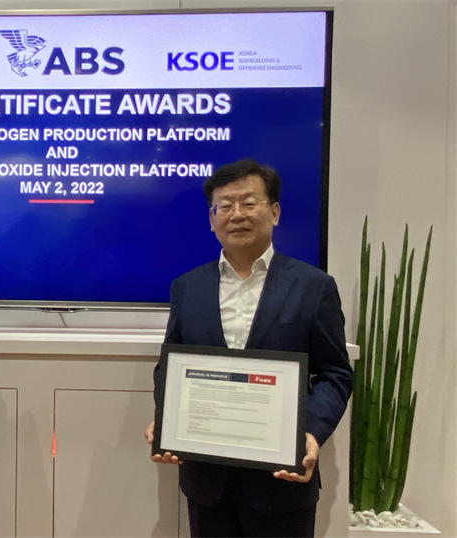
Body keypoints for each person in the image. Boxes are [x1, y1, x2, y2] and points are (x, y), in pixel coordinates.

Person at [145, 159, 353, 538]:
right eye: (224, 206)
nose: (236, 214)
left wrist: (310, 433)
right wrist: (168, 419)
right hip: (208, 482)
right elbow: (170, 367)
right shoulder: (187, 287)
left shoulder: (314, 286)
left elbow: (335, 373)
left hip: (282, 481)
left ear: (274, 212)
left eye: (249, 202)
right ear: (212, 219)